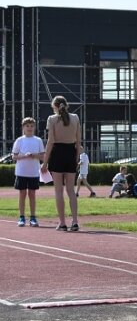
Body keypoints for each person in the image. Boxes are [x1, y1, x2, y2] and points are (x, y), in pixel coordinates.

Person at [40, 96, 81, 231]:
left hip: (57, 153)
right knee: (71, 190)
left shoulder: (52, 119)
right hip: (70, 153)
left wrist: (45, 162)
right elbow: (78, 142)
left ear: (54, 106)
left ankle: (62, 223)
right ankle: (75, 221)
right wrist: (76, 158)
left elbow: (51, 141)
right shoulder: (75, 117)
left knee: (58, 191)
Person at [12, 117, 45, 227]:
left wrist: (34, 155)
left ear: (34, 127)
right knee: (22, 194)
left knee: (32, 194)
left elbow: (43, 156)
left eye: (31, 126)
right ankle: (21, 217)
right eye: (27, 126)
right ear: (23, 128)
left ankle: (33, 217)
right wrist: (23, 156)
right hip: (21, 172)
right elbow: (14, 156)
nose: (29, 128)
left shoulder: (38, 140)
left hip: (33, 172)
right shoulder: (19, 140)